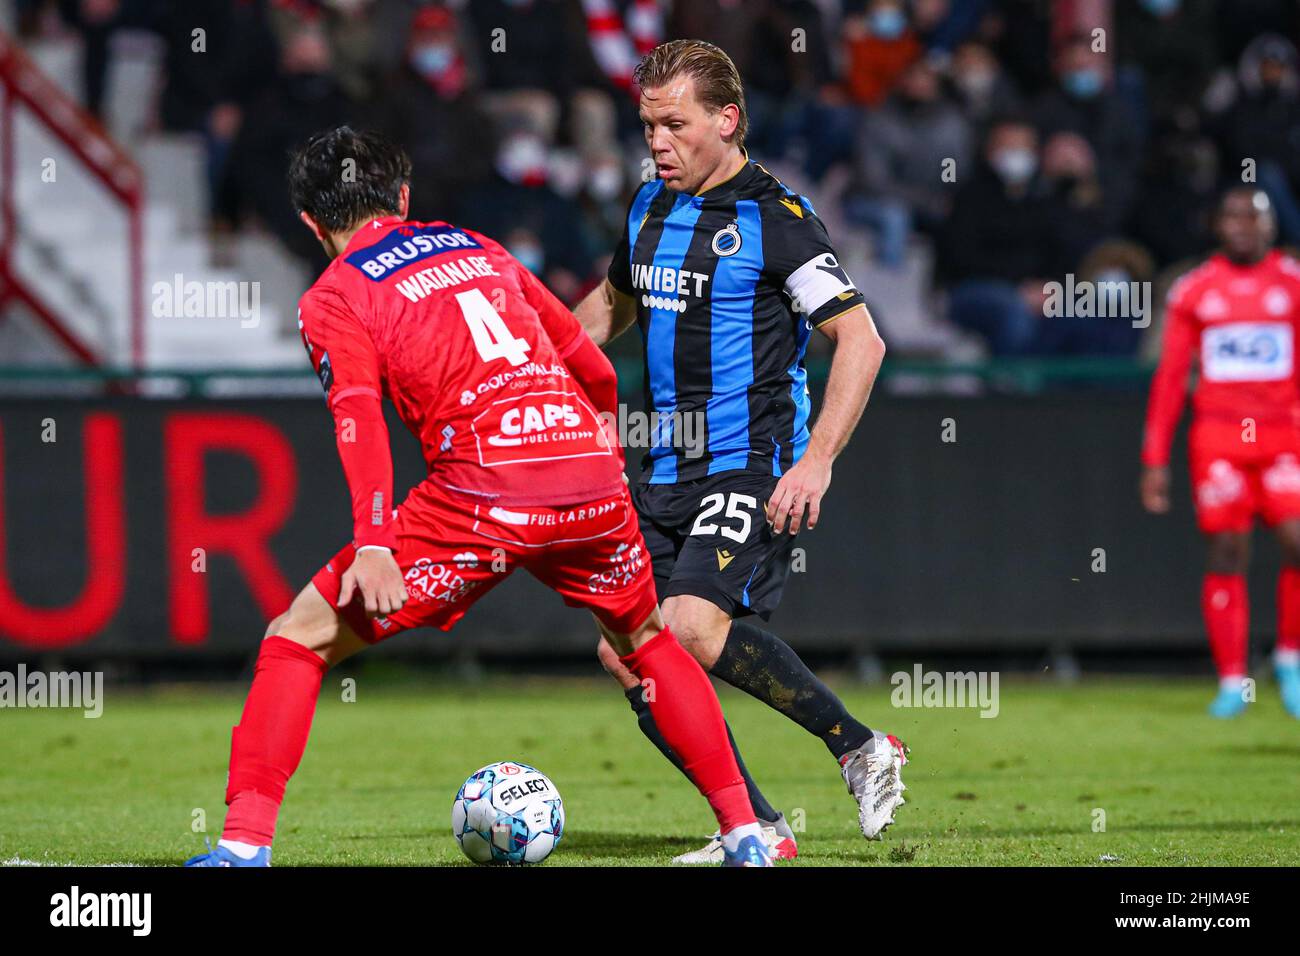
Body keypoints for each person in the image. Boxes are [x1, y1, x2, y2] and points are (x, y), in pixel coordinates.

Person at [184, 126, 772, 867]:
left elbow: (358, 414)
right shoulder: (478, 247)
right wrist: (605, 463)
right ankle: (747, 835)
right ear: (402, 197)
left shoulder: (335, 294)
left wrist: (373, 541)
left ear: (310, 223)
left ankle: (242, 849)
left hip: (483, 492)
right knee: (646, 640)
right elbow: (591, 365)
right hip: (588, 475)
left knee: (297, 639)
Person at [573, 39, 906, 864]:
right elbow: (609, 307)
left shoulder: (777, 221)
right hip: (663, 467)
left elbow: (860, 341)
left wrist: (817, 458)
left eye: (674, 124)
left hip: (750, 463)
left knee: (684, 626)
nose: (656, 141)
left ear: (726, 121)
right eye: (647, 123)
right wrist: (527, 358)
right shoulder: (650, 204)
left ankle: (859, 746)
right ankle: (757, 828)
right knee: (624, 652)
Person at [1141, 187, 1300, 719]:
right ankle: (1233, 680)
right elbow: (1169, 379)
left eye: (1252, 216)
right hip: (1219, 439)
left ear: (1271, 226)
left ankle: (1289, 660)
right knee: (1228, 549)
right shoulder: (1195, 289)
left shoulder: (1293, 284)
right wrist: (1154, 458)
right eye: (1231, 216)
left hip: (1284, 436)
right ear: (1217, 226)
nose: (1240, 226)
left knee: (1295, 539)